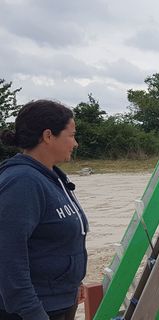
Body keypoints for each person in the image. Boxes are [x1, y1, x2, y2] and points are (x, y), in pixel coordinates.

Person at [0, 100, 88, 320]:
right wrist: (31, 311)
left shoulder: (52, 176)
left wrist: (73, 282)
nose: (75, 143)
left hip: (59, 301)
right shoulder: (22, 182)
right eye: (71, 135)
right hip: (33, 309)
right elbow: (8, 255)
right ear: (48, 136)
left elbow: (55, 239)